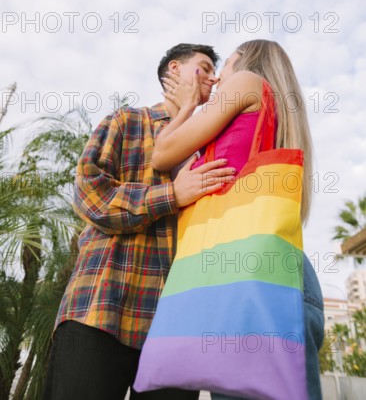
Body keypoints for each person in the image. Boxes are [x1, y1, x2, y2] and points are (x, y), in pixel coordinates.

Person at [42, 43, 238, 400]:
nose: (215, 77)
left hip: (177, 327)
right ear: (175, 70)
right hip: (101, 309)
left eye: (217, 71)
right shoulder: (127, 122)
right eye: (205, 67)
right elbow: (91, 195)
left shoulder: (212, 147)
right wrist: (172, 195)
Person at [151, 39, 325, 400]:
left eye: (222, 65)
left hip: (251, 281)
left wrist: (184, 108)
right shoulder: (264, 108)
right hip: (272, 275)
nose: (216, 80)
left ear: (245, 60)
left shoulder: (245, 82)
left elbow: (162, 154)